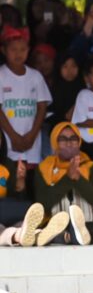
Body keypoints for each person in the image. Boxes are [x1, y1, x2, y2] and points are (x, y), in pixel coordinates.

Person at [34, 122, 93, 245]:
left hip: (87, 222)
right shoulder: (44, 168)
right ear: (54, 142)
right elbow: (43, 203)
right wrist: (68, 178)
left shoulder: (91, 167)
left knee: (86, 230)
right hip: (56, 224)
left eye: (73, 138)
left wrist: (78, 178)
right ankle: (91, 236)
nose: (69, 143)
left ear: (79, 142)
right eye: (63, 139)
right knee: (58, 233)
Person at [0, 26, 51, 198]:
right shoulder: (1, 75)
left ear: (28, 50)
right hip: (8, 142)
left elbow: (42, 106)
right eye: (13, 49)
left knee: (29, 186)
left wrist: (32, 135)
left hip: (32, 143)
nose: (18, 54)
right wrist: (14, 137)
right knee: (8, 184)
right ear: (4, 50)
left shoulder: (35, 76)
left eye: (22, 49)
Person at [48, 52, 85, 127]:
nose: (70, 70)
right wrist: (65, 116)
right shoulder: (53, 89)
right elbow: (47, 115)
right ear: (59, 68)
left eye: (74, 66)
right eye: (65, 66)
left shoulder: (83, 88)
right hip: (58, 129)